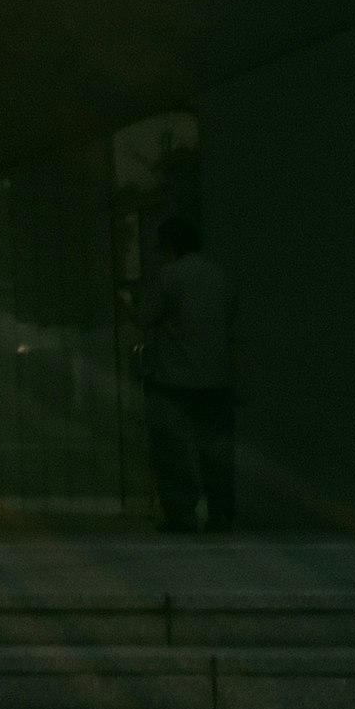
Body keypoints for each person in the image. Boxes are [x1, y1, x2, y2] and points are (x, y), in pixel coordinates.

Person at [137, 216, 235, 532]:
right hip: (216, 376)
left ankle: (181, 515)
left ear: (170, 245)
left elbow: (145, 318)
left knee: (172, 451)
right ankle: (221, 512)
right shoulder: (219, 276)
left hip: (173, 376)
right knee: (216, 449)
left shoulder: (170, 276)